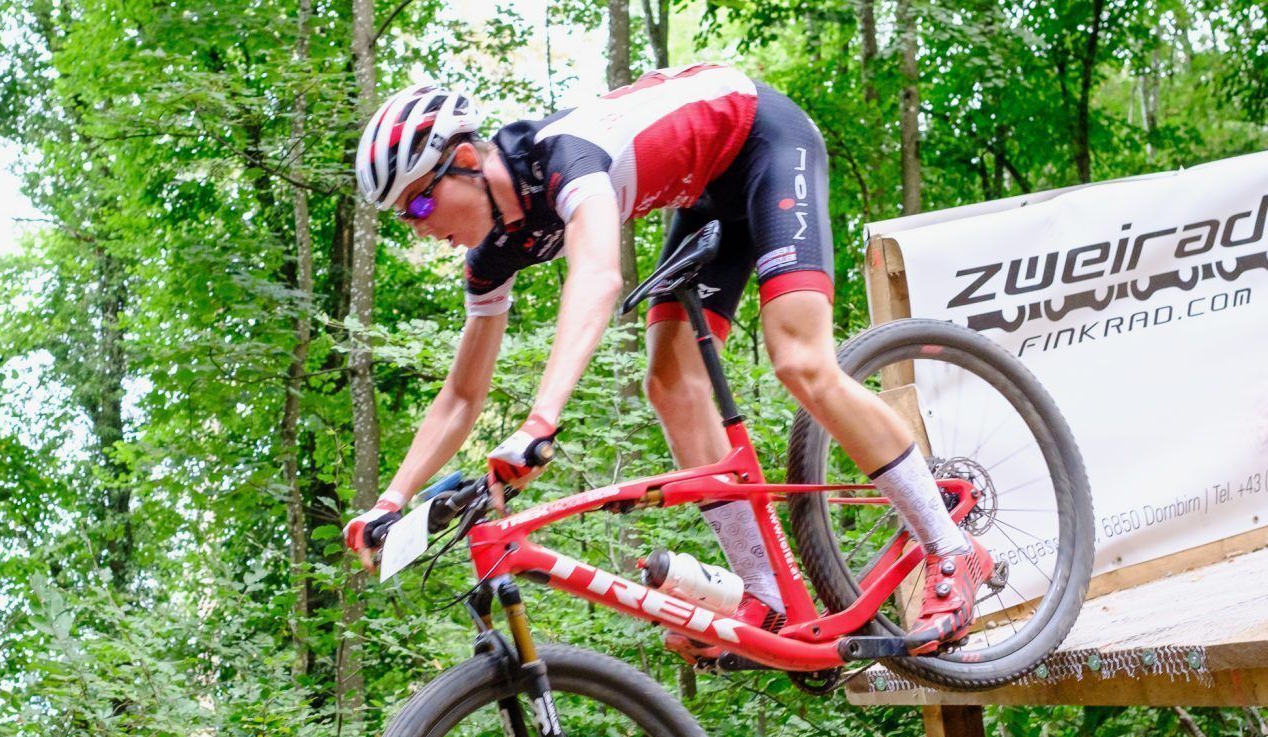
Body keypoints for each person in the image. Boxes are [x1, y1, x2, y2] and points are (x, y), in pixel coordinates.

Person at [342, 64, 992, 660]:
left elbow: (598, 276)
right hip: (706, 195)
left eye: (419, 203)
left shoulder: (562, 157)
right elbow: (462, 396)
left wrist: (541, 422)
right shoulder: (493, 252)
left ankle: (951, 547)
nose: (417, 226)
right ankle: (764, 593)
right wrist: (390, 502)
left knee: (799, 358)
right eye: (403, 218)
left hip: (764, 140)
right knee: (671, 384)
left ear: (464, 161)